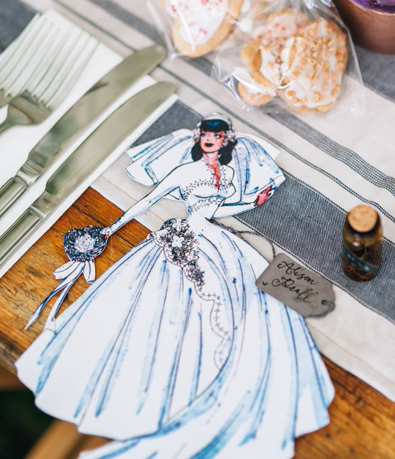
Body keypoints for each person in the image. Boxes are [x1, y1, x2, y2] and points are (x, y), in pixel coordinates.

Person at [17, 115, 334, 459]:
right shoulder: (184, 172)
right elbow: (148, 201)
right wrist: (111, 229)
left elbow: (225, 205)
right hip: (182, 236)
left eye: (218, 136)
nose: (211, 140)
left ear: (226, 140)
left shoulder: (228, 175)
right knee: (159, 307)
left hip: (216, 238)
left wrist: (255, 202)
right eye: (207, 136)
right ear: (199, 138)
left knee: (251, 307)